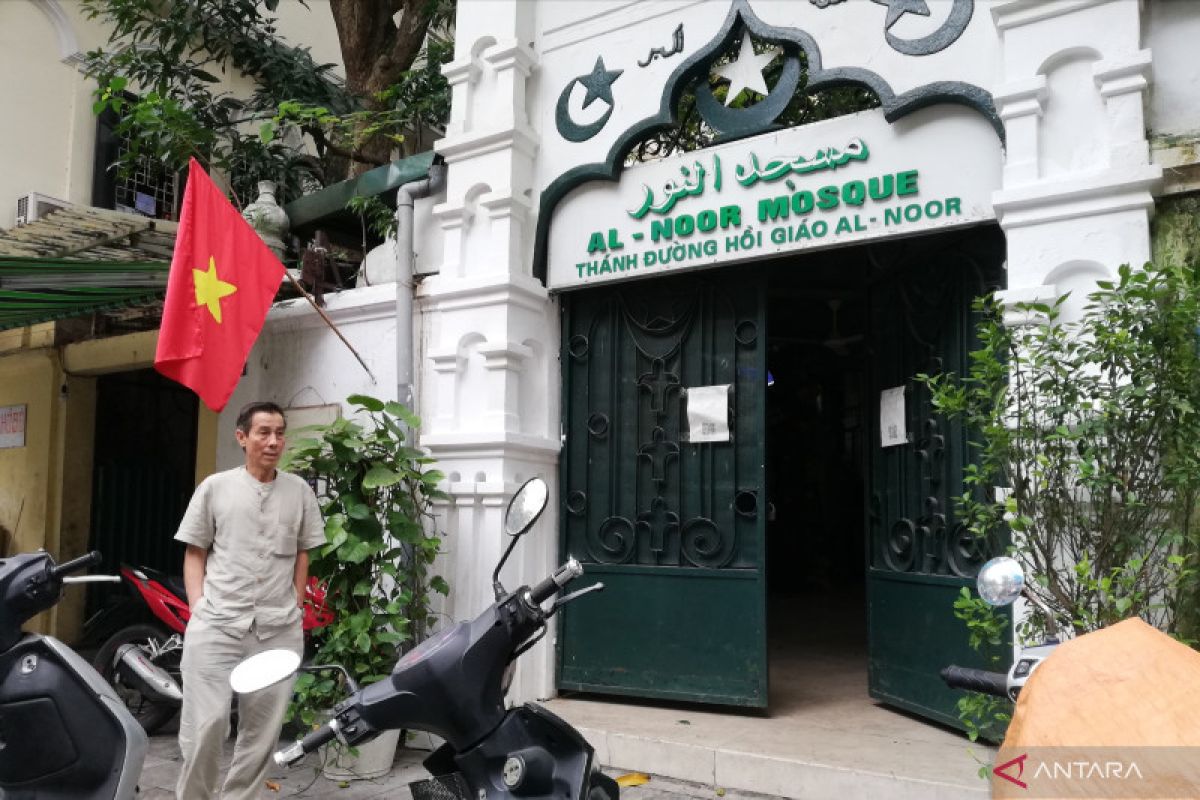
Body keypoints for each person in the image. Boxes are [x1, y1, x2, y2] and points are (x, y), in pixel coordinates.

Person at [174, 401, 325, 800]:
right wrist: (197, 607)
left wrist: (294, 603)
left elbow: (303, 552)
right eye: (263, 432)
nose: (273, 441)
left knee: (261, 735)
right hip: (217, 624)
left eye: (279, 433)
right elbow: (195, 551)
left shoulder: (299, 491)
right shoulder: (215, 487)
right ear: (242, 437)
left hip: (277, 630)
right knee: (207, 726)